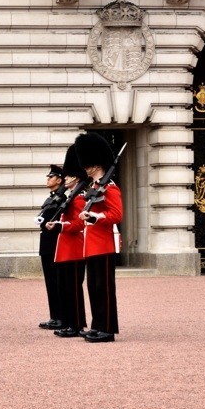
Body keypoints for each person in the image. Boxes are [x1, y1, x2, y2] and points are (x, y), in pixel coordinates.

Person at [73, 132, 123, 344]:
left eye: (87, 163)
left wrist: (94, 216)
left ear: (96, 163)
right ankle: (97, 325)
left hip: (103, 244)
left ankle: (108, 328)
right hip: (91, 245)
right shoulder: (93, 188)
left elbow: (117, 215)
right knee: (93, 287)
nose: (85, 167)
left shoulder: (109, 188)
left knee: (104, 288)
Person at [49, 146, 88, 338]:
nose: (65, 179)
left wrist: (60, 226)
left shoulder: (79, 199)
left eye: (69, 176)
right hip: (64, 249)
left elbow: (79, 224)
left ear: (76, 178)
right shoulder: (70, 198)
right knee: (65, 288)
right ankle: (69, 322)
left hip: (74, 249)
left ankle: (77, 324)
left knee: (73, 289)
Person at [37, 164, 66, 330]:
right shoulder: (51, 198)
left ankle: (61, 316)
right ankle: (54, 316)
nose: (48, 179)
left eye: (51, 177)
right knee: (50, 282)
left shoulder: (62, 200)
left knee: (57, 282)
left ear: (59, 180)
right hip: (46, 245)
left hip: (55, 245)